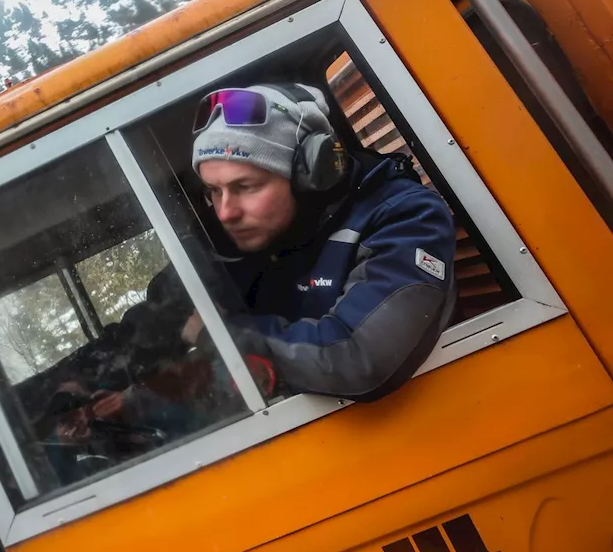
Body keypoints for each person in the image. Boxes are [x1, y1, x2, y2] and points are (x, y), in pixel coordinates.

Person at [184, 82, 457, 401]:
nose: (225, 212)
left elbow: (358, 359)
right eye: (214, 192)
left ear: (311, 174)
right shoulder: (275, 237)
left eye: (245, 186)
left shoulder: (407, 217)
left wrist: (218, 337)